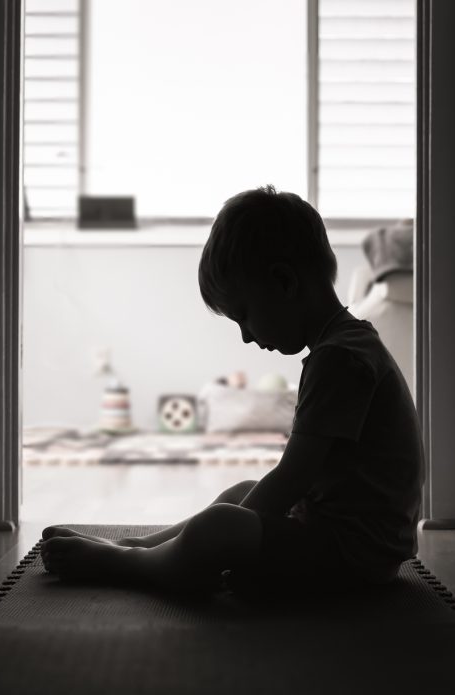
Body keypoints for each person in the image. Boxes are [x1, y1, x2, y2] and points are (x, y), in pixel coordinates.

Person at [40, 186, 425, 596]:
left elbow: (293, 478)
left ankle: (131, 564)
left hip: (353, 558)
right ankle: (138, 546)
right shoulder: (348, 346)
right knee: (239, 495)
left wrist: (227, 538)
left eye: (244, 315)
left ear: (283, 281)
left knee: (221, 524)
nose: (245, 336)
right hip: (351, 542)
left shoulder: (340, 359)